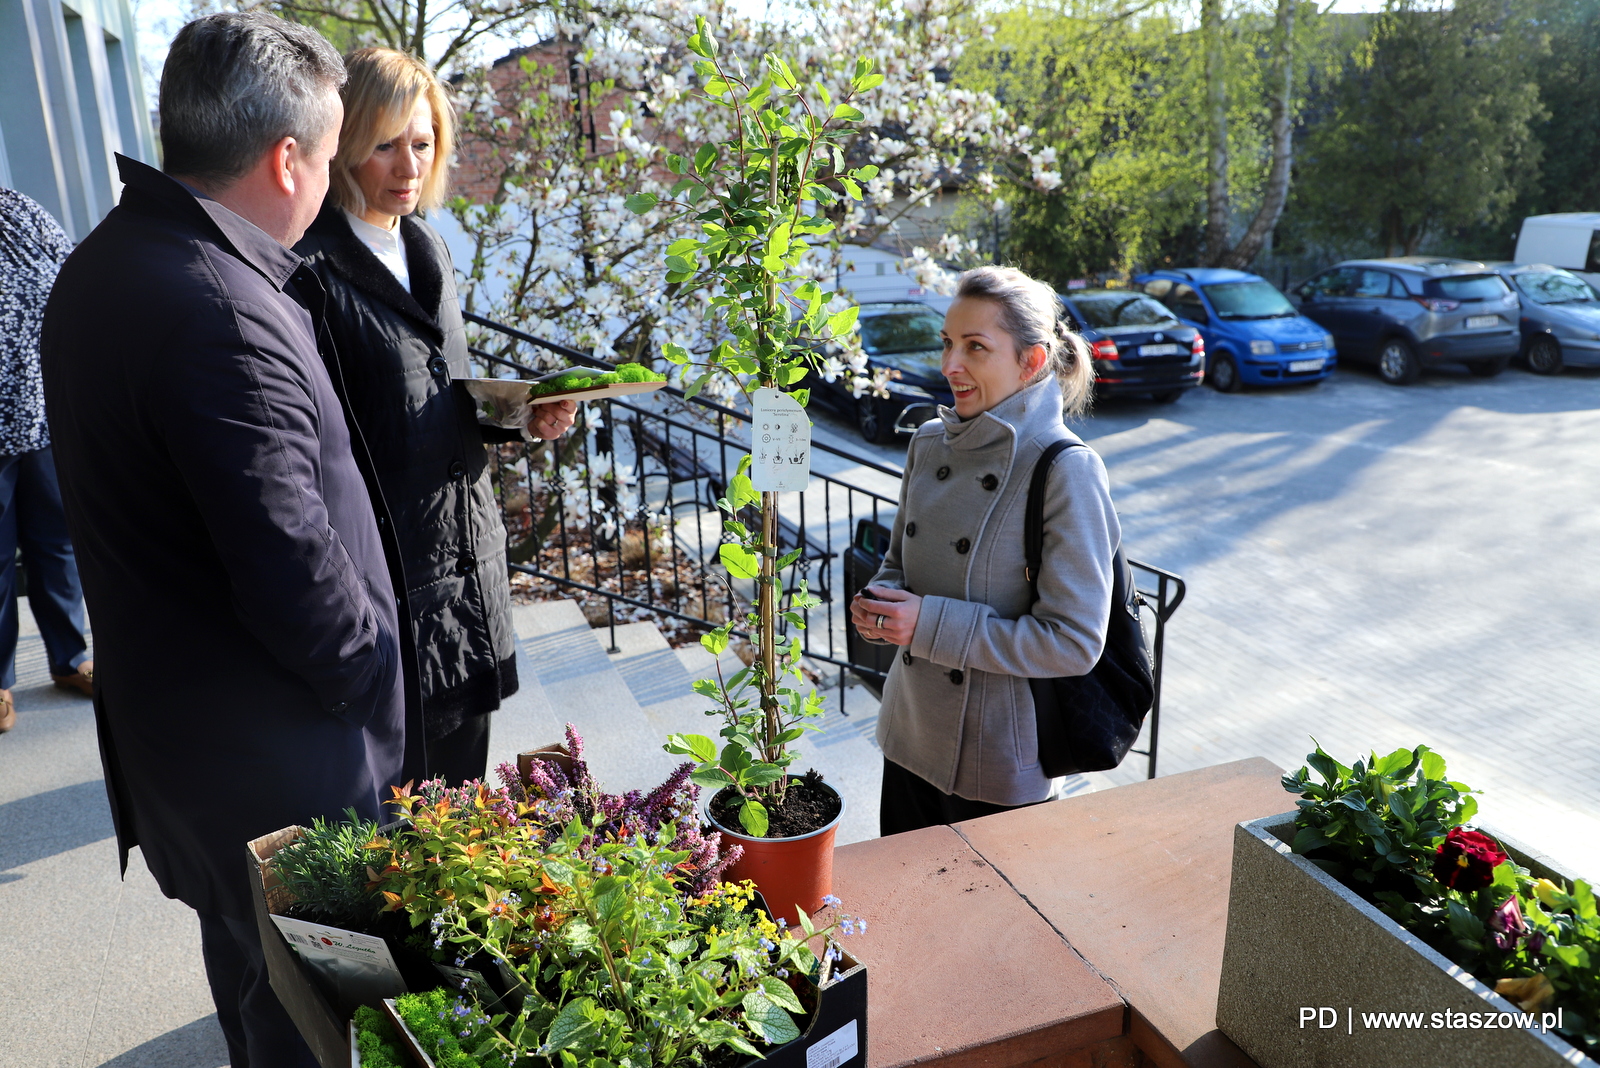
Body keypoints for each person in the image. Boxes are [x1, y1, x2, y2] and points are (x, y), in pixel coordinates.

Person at [40, 14, 422, 1066]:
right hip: (286, 777)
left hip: (198, 761)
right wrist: (376, 668)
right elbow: (289, 563)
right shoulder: (218, 304)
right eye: (339, 143)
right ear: (287, 158)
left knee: (263, 1009)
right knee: (331, 1033)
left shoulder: (108, 264)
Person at [294, 48, 575, 785]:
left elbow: (439, 394)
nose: (407, 165)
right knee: (411, 818)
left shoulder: (427, 246)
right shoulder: (310, 270)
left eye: (421, 144)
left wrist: (519, 418)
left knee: (465, 801)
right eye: (385, 144)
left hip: (467, 567)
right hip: (392, 578)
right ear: (345, 143)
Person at [850, 265, 1120, 837]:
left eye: (976, 347)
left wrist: (926, 624)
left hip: (994, 764)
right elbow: (900, 561)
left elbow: (1072, 643)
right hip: (908, 734)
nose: (951, 365)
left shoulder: (1065, 469)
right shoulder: (927, 441)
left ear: (1033, 362)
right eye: (948, 343)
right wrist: (883, 606)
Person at [1, 189, 94, 734]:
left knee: (57, 542)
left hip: (41, 417)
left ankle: (69, 656)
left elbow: (71, 277)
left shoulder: (21, 211)